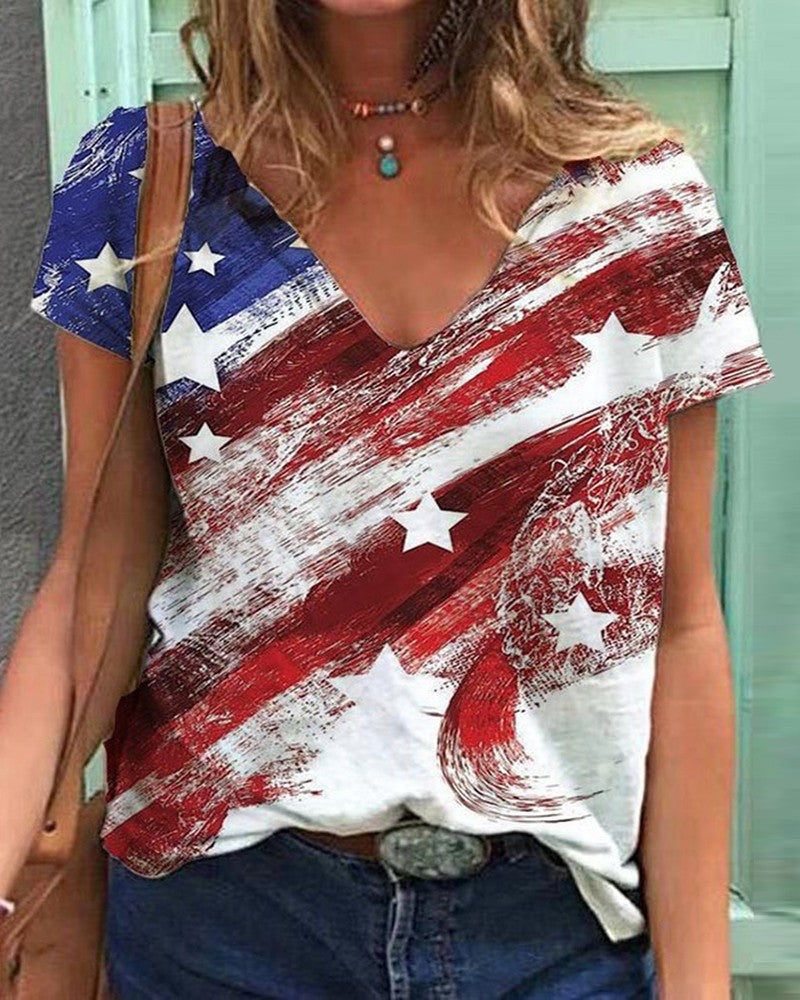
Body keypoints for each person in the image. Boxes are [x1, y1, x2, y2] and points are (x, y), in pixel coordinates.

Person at [1, 0, 776, 997]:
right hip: (223, 929)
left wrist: (699, 981)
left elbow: (679, 622)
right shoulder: (142, 183)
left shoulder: (640, 201)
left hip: (552, 936)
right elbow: (89, 588)